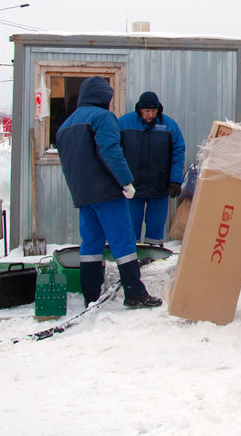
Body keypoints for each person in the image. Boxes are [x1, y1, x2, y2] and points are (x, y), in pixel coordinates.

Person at [56, 76, 162, 309]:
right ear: (103, 97)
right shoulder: (102, 117)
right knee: (123, 241)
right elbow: (110, 151)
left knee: (91, 244)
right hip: (106, 191)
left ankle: (91, 295)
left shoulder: (66, 124)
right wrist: (126, 181)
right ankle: (134, 293)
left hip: (83, 194)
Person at [119, 91, 186, 245]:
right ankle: (132, 256)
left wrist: (175, 180)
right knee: (131, 224)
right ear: (139, 110)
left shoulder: (169, 125)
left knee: (156, 225)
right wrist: (119, 178)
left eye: (154, 111)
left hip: (159, 184)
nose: (150, 115)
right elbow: (114, 152)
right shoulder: (124, 123)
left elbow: (178, 152)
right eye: (147, 111)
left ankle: (154, 254)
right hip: (133, 186)